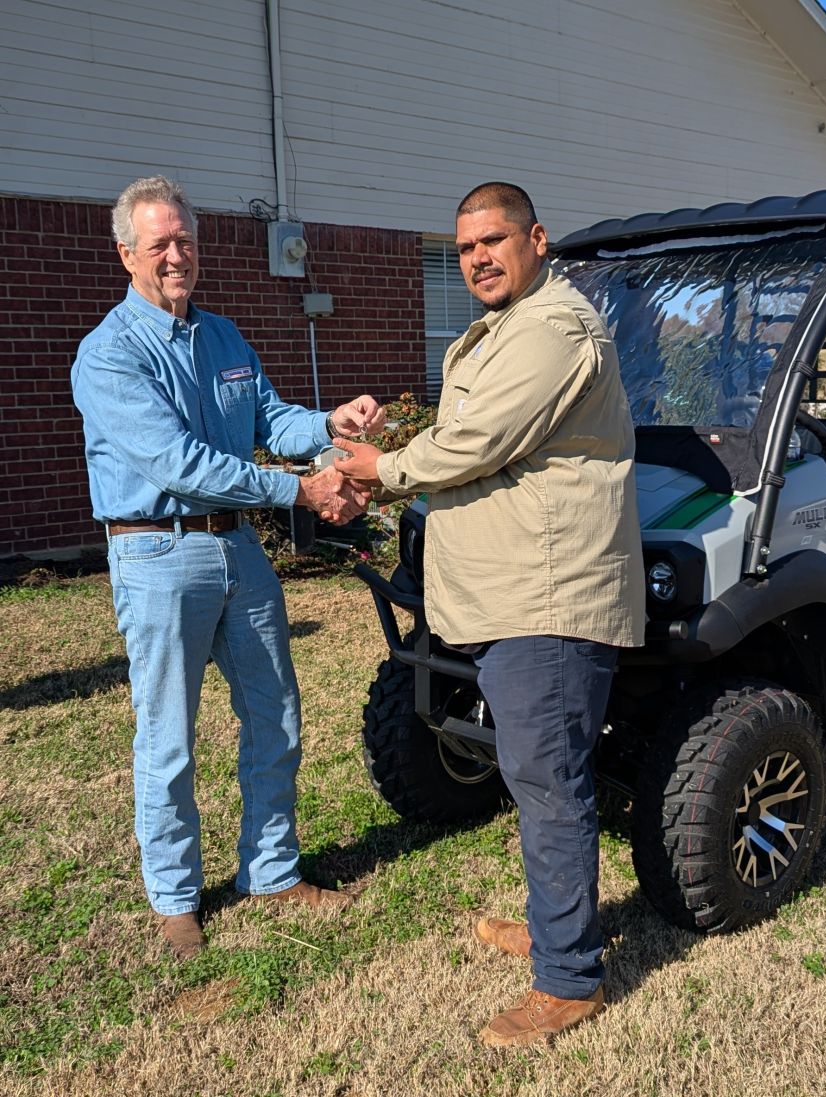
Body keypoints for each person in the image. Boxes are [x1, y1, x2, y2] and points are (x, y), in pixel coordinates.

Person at [333, 181, 644, 1046]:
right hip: (511, 592)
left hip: (548, 596)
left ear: (536, 239)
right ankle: (558, 929)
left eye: (494, 239)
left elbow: (476, 441)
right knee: (533, 773)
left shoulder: (553, 327)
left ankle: (569, 979)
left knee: (549, 783)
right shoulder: (513, 326)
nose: (477, 256)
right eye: (465, 245)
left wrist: (378, 469)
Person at [71, 175, 384, 961]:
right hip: (156, 551)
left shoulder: (222, 336)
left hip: (238, 550)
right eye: (159, 244)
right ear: (126, 254)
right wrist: (300, 489)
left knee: (275, 715)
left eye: (186, 240)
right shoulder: (108, 354)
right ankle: (176, 898)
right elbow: (182, 464)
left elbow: (268, 416)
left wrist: (327, 423)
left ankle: (272, 870)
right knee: (168, 738)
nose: (177, 255)